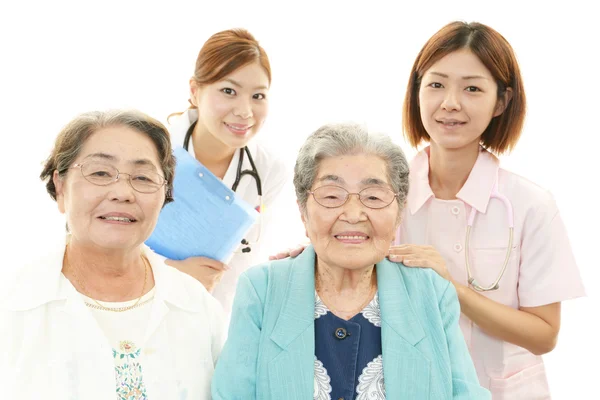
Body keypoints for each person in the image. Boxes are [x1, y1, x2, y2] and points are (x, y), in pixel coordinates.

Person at [211, 123, 490, 399]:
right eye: (332, 196)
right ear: (303, 211)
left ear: (399, 213)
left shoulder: (431, 291)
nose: (354, 214)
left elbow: (466, 393)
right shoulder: (262, 289)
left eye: (373, 197)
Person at [386, 21, 586, 398]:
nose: (450, 103)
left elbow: (544, 334)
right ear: (416, 91)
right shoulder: (384, 194)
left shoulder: (530, 205)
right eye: (436, 84)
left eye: (473, 88)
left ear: (501, 101)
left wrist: (451, 289)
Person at [0, 110, 225, 399]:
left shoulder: (199, 308)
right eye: (100, 173)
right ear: (60, 186)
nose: (123, 192)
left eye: (143, 177)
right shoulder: (12, 304)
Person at [165, 28, 289, 317]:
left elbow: (247, 267)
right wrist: (171, 272)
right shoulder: (152, 154)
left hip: (220, 325)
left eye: (258, 95)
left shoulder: (269, 170)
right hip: (141, 311)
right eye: (229, 91)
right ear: (195, 91)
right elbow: (105, 251)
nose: (245, 111)